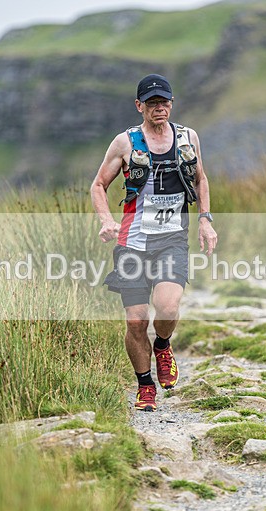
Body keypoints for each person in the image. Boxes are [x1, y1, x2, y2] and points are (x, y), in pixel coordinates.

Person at [90, 74, 217, 412]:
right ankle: (145, 386)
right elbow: (98, 185)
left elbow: (201, 179)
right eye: (152, 103)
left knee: (168, 306)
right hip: (131, 241)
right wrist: (105, 220)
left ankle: (162, 345)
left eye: (164, 102)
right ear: (139, 106)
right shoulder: (125, 143)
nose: (159, 108)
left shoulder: (188, 137)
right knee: (135, 320)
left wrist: (205, 219)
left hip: (172, 239)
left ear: (171, 104)